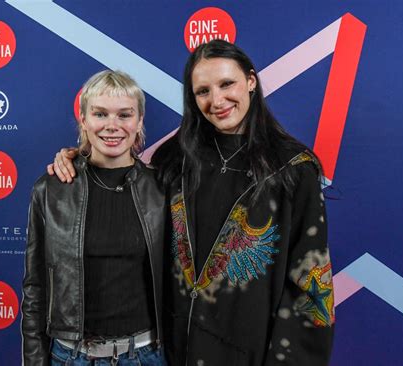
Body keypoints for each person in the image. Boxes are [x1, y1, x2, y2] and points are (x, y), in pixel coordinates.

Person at [49, 40, 335, 366]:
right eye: (203, 91)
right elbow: (121, 184)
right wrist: (79, 159)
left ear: (251, 82)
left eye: (227, 84)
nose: (217, 100)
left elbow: (312, 288)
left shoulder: (292, 169)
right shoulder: (174, 159)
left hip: (249, 354)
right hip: (169, 352)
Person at [22, 70, 167, 365]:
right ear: (84, 121)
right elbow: (35, 289)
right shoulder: (50, 189)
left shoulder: (164, 188)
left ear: (139, 121)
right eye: (100, 114)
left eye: (124, 115)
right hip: (70, 357)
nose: (112, 126)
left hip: (146, 355)